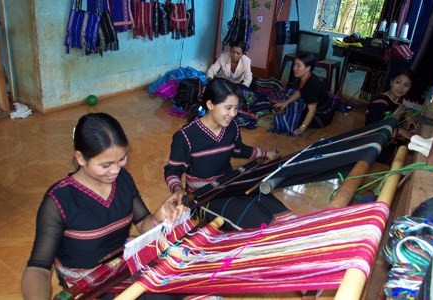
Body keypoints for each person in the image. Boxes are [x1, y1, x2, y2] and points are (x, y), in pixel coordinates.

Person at [21, 113, 186, 299]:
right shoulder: (59, 201)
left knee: (180, 285)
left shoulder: (123, 180)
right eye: (106, 165)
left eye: (122, 159)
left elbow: (142, 224)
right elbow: (38, 268)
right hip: (89, 284)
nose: (116, 170)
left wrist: (157, 217)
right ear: (81, 158)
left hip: (122, 268)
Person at [164, 78, 287, 230]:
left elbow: (240, 150)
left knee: (273, 207)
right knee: (258, 221)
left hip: (229, 183)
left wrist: (266, 153)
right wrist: (177, 189)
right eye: (228, 108)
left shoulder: (231, 127)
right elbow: (173, 170)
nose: (233, 114)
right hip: (203, 196)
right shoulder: (186, 136)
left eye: (236, 108)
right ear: (210, 105)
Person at [271, 52, 334, 136]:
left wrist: (302, 128)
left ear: (308, 68)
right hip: (318, 108)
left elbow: (312, 111)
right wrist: (285, 103)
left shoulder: (311, 85)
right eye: (294, 65)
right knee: (289, 102)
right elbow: (300, 91)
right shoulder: (305, 77)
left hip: (321, 116)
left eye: (299, 65)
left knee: (289, 122)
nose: (294, 68)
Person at [365, 68, 418, 164]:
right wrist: (401, 132)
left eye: (406, 85)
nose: (401, 87)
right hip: (373, 147)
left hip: (387, 143)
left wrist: (407, 115)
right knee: (408, 159)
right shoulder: (380, 103)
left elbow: (399, 107)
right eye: (398, 82)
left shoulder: (397, 102)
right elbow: (374, 129)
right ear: (391, 82)